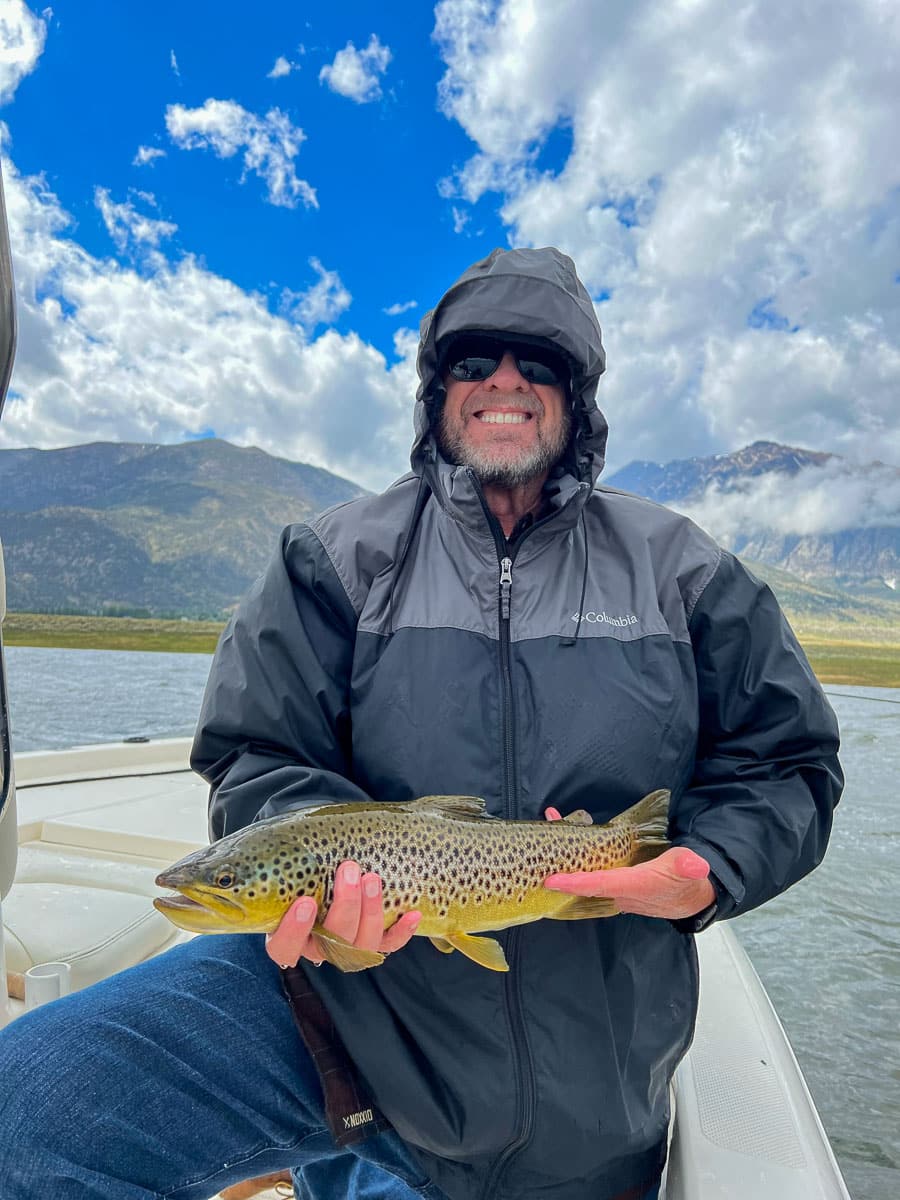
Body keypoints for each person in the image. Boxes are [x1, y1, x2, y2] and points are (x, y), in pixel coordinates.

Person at [0, 246, 842, 1200]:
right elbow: (259, 754)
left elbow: (792, 764)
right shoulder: (332, 561)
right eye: (474, 360)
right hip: (355, 1029)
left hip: (595, 1076)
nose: (503, 383)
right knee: (22, 1116)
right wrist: (339, 905)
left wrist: (706, 869)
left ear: (580, 394)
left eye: (539, 362)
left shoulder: (684, 573)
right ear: (437, 388)